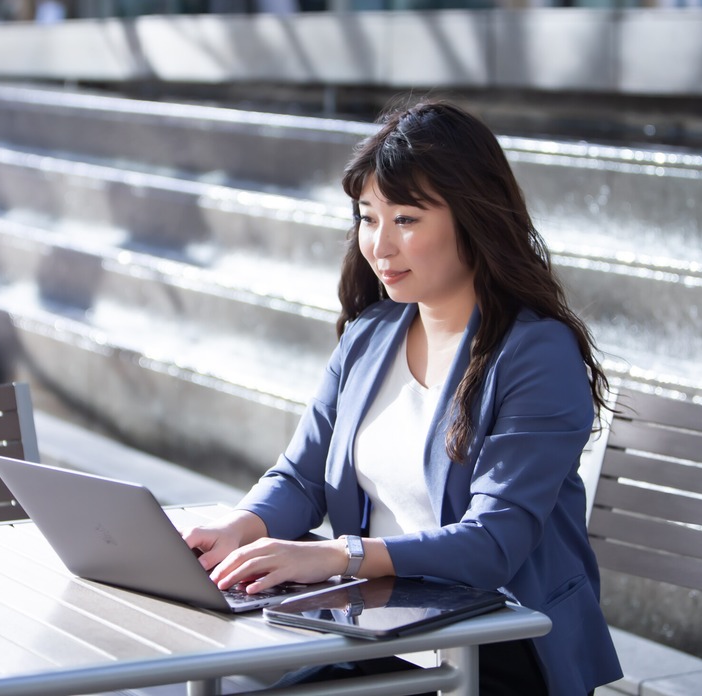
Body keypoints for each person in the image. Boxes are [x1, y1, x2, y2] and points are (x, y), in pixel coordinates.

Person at [184, 100, 623, 695]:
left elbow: (494, 543)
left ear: (473, 218)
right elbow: (303, 476)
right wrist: (245, 525)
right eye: (368, 217)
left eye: (407, 220)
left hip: (499, 646)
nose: (379, 246)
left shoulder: (536, 354)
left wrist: (341, 556)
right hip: (383, 631)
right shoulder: (372, 336)